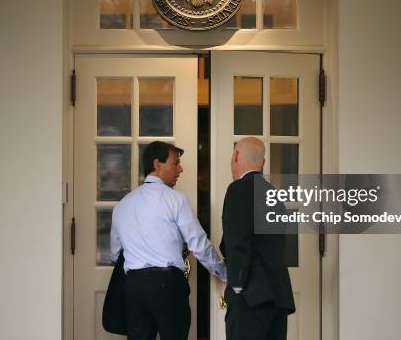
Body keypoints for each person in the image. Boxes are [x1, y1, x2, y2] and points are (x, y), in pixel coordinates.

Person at [110, 141, 226, 340]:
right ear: (157, 164)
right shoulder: (175, 200)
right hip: (167, 285)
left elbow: (114, 254)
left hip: (134, 287)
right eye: (175, 163)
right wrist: (225, 273)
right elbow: (199, 245)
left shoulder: (121, 205)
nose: (180, 169)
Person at [220, 137, 295, 340]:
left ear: (236, 155)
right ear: (263, 163)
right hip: (279, 297)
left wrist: (236, 286)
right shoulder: (274, 195)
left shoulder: (238, 190)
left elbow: (237, 243)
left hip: (250, 298)